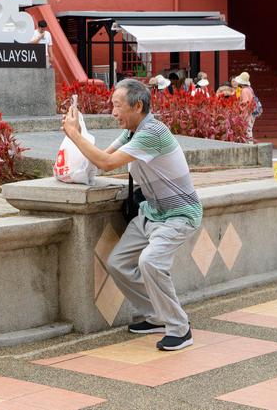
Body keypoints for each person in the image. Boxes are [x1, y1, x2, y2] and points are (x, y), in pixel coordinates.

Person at [63, 79, 201, 351]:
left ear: (138, 106)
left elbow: (106, 162)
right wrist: (77, 134)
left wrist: (75, 135)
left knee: (151, 262)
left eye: (117, 106)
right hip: (152, 214)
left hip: (178, 215)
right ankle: (156, 316)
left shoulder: (152, 133)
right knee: (118, 263)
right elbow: (100, 158)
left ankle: (180, 327)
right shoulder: (131, 133)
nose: (113, 112)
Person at [233, 72, 260, 139]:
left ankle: (249, 142)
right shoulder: (249, 88)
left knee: (248, 129)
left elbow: (245, 103)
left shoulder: (244, 90)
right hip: (251, 112)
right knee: (248, 128)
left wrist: (241, 112)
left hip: (247, 113)